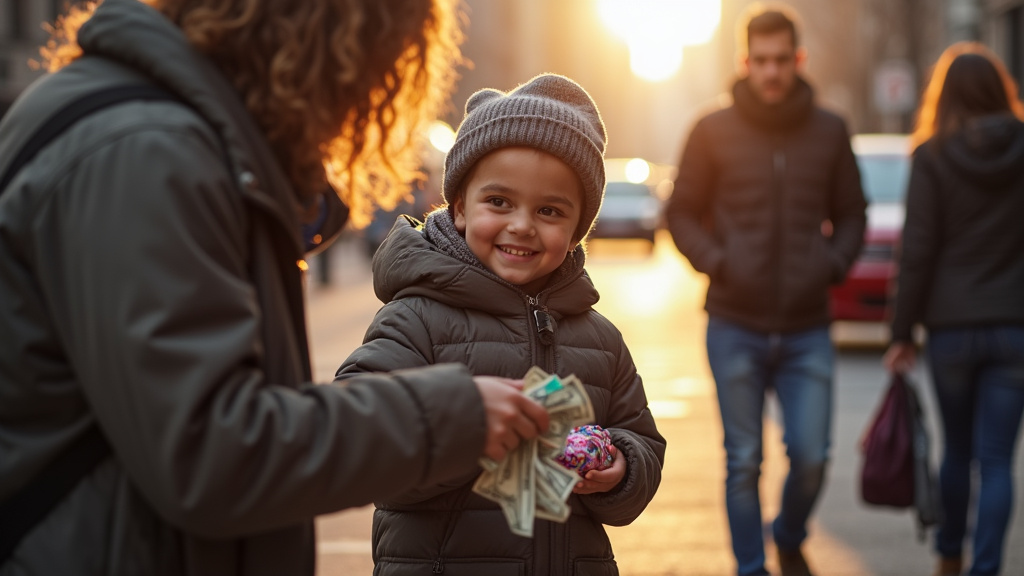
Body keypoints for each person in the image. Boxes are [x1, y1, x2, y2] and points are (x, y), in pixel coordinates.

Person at [0, 1, 552, 574]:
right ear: (331, 43)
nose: (361, 102)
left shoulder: (148, 129)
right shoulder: (144, 151)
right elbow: (213, 454)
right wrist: (452, 415)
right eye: (375, 68)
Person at [334, 73, 666, 575]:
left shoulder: (599, 339)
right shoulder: (416, 318)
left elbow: (641, 441)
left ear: (577, 230)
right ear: (461, 206)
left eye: (550, 210)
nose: (522, 225)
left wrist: (620, 467)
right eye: (499, 202)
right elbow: (360, 437)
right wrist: (464, 429)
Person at [665, 5, 867, 576]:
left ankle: (790, 532)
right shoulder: (712, 130)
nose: (773, 72)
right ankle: (750, 567)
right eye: (762, 61)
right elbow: (680, 212)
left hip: (807, 325)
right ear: (745, 61)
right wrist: (717, 261)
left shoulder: (829, 129)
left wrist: (830, 263)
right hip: (735, 322)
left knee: (811, 457)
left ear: (798, 60)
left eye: (783, 60)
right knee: (744, 461)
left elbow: (853, 213)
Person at [883, 42, 1024, 576]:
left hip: (951, 331)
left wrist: (900, 333)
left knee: (957, 453)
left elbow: (917, 250)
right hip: (1014, 326)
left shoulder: (932, 154)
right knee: (997, 462)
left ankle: (948, 556)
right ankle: (985, 567)